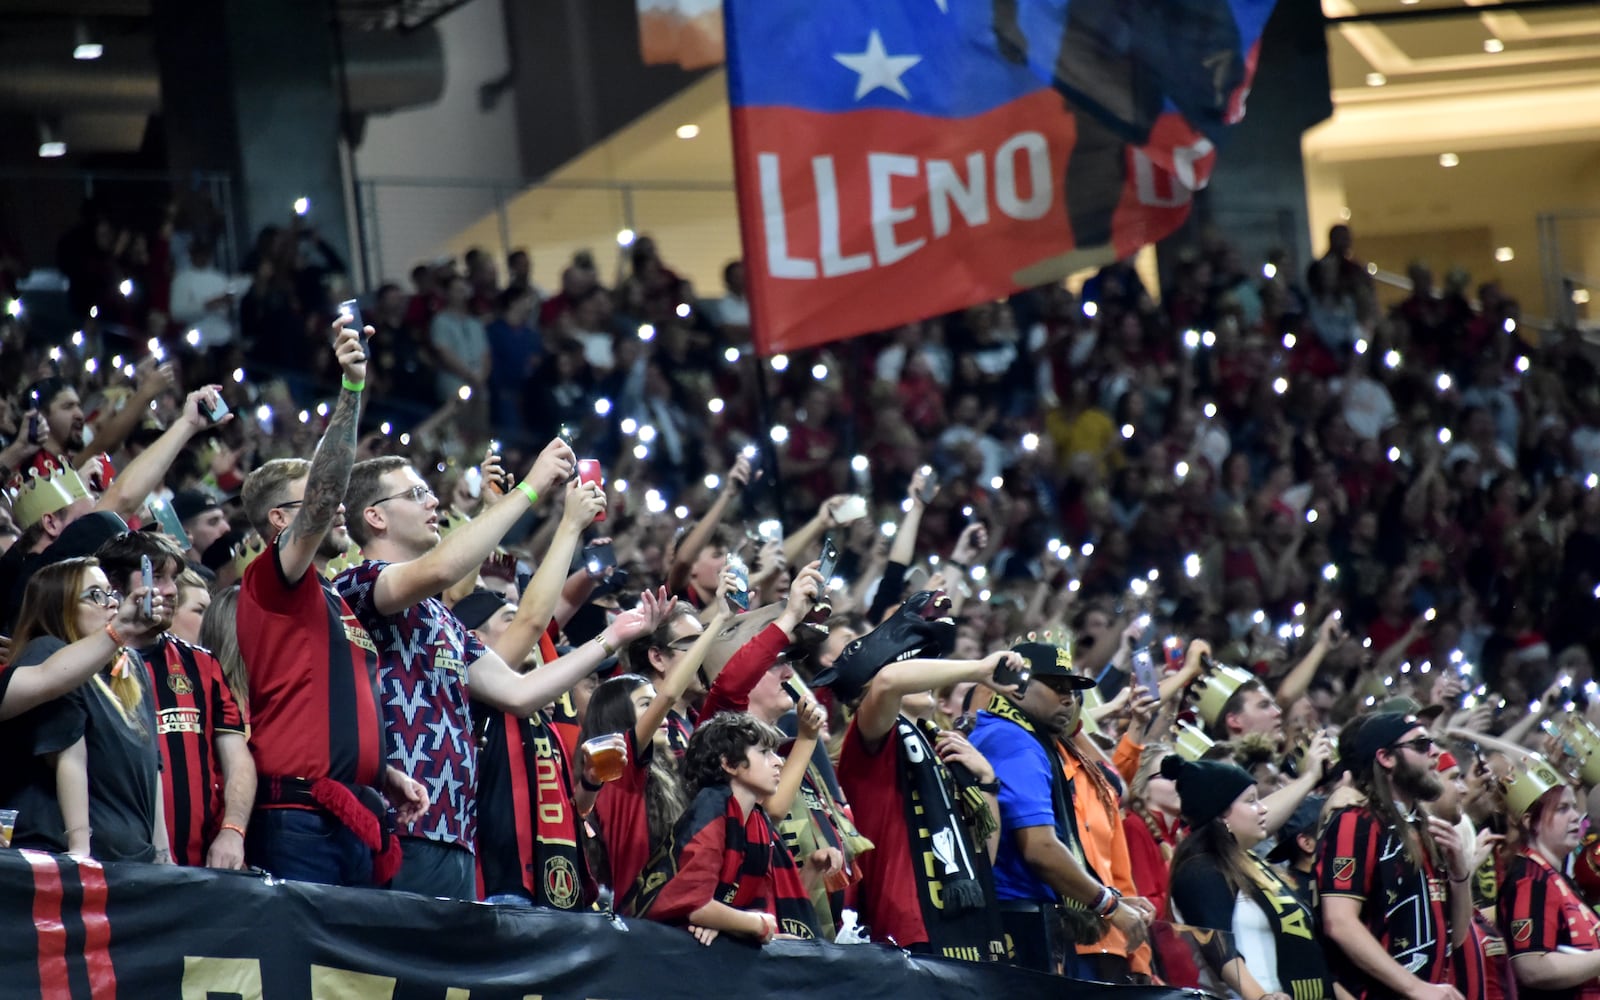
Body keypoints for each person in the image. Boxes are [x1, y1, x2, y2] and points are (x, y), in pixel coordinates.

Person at [335, 437, 632, 900]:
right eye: (415, 494)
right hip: (393, 824)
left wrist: (611, 638)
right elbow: (440, 570)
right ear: (375, 516)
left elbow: (519, 692)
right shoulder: (358, 584)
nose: (432, 499)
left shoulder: (441, 618)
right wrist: (531, 489)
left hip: (455, 834)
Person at [236, 319, 429, 888]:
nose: (338, 506)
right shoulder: (273, 580)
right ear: (280, 520)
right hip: (300, 820)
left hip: (351, 809)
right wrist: (351, 390)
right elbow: (321, 497)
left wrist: (377, 769)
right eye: (324, 499)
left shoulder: (334, 599)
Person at [462, 480, 671, 910]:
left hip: (556, 889)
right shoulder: (475, 686)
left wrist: (591, 784)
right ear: (473, 638)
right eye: (508, 617)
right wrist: (570, 525)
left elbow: (570, 808)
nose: (525, 624)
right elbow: (536, 621)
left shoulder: (539, 713)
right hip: (502, 889)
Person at [820, 594, 1010, 961]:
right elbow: (889, 680)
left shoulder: (937, 748)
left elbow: (982, 856)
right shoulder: (870, 741)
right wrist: (978, 669)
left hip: (967, 930)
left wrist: (986, 783)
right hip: (907, 935)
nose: (923, 674)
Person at [968, 640, 1153, 974]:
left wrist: (1109, 897)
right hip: (1015, 917)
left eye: (1071, 688)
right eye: (1055, 687)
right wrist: (1108, 904)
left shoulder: (1013, 734)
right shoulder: (1014, 741)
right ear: (1016, 687)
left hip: (1022, 914)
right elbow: (1039, 848)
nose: (1068, 698)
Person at [95, 530, 254, 869]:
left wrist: (233, 831)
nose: (170, 591)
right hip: (114, 868)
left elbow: (238, 761)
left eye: (174, 579)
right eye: (157, 576)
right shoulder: (88, 666)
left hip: (199, 869)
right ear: (115, 585)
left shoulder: (203, 665)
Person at [3, 558, 169, 861]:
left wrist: (162, 854)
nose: (110, 604)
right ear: (59, 606)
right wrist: (80, 851)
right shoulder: (47, 652)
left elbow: (151, 767)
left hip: (132, 859)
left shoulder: (129, 666)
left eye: (111, 593)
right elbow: (69, 753)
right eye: (94, 595)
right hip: (71, 857)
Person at [625, 710, 824, 944]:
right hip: (643, 942)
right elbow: (695, 905)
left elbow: (746, 908)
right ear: (729, 763)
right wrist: (753, 924)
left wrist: (729, 924)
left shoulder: (757, 820)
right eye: (764, 753)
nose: (778, 761)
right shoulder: (711, 808)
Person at [1318, 713, 1475, 1000]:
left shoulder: (1427, 828)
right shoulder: (1357, 822)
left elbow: (1458, 935)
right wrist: (1416, 988)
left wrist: (1460, 873)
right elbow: (1339, 922)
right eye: (1420, 744)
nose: (1435, 752)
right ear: (1386, 758)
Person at [577, 604, 723, 899]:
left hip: (666, 915)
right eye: (647, 705)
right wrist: (722, 617)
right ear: (621, 720)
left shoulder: (662, 776)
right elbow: (669, 693)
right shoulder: (622, 768)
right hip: (641, 920)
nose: (662, 714)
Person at [1165, 754, 1334, 1000]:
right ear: (1221, 816)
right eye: (1251, 801)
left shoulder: (1250, 863)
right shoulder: (1199, 871)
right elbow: (1218, 948)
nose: (1263, 808)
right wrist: (1261, 998)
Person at [1499, 757, 1600, 999]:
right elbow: (1532, 967)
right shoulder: (1530, 879)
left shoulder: (1554, 876)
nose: (1576, 816)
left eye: (1574, 807)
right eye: (1562, 809)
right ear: (1529, 822)